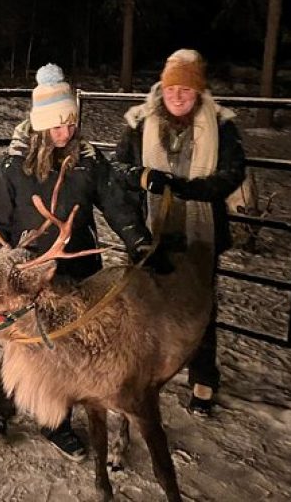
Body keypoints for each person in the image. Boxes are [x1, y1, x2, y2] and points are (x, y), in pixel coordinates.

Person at [0, 62, 159, 461]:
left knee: (63, 349)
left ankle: (49, 420)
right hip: (27, 272)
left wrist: (140, 244)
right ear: (41, 126)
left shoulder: (87, 161)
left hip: (76, 267)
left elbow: (116, 205)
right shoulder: (11, 166)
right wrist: (2, 272)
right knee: (24, 345)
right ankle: (6, 406)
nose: (67, 133)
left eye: (71, 124)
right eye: (58, 127)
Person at [114, 48, 246, 417]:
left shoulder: (221, 126)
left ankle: (203, 375)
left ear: (199, 92)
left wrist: (196, 189)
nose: (178, 95)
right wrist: (143, 177)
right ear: (163, 87)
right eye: (172, 88)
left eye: (186, 90)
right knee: (143, 303)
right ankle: (144, 368)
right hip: (153, 229)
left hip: (199, 232)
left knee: (199, 304)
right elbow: (118, 167)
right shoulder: (140, 123)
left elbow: (233, 173)